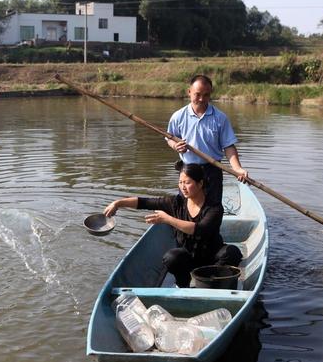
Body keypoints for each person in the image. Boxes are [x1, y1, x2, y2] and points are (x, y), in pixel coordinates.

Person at [103, 162, 242, 288]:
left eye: (187, 182)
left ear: (200, 184)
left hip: (212, 257)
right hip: (189, 257)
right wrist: (118, 203)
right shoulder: (176, 203)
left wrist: (168, 219)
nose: (183, 187)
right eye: (180, 182)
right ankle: (183, 285)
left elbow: (200, 230)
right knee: (172, 257)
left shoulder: (214, 207)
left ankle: (211, 279)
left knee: (232, 252)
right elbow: (144, 202)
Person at [166, 74, 248, 206]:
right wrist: (176, 145)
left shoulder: (220, 118)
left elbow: (229, 147)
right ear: (189, 92)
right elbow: (169, 138)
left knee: (212, 209)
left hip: (212, 169)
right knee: (185, 209)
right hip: (188, 171)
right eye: (197, 94)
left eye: (206, 95)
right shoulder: (178, 116)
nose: (201, 99)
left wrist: (237, 168)